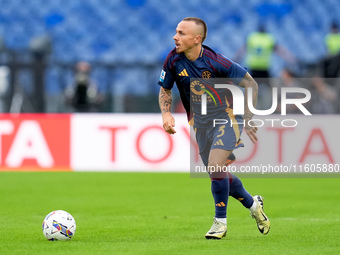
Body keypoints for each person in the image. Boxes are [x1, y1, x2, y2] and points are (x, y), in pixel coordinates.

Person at [158, 17, 270, 239]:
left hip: (228, 118)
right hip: (200, 124)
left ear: (196, 39)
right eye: (176, 32)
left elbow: (250, 83)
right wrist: (166, 113)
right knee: (218, 173)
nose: (175, 37)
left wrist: (248, 116)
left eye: (181, 33)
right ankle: (253, 204)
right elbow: (165, 89)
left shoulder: (215, 61)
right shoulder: (172, 60)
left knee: (216, 165)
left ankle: (220, 223)